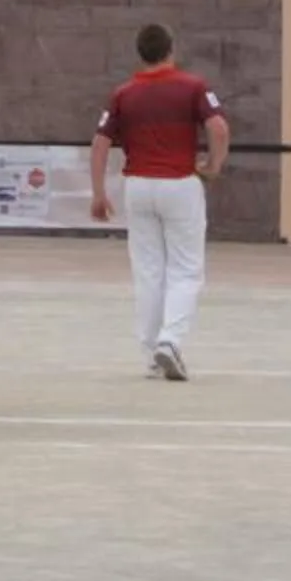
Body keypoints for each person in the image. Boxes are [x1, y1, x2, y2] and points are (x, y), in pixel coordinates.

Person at [89, 23, 230, 381]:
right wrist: (214, 165)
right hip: (180, 184)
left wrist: (99, 193)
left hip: (137, 186)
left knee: (148, 271)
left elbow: (100, 142)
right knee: (185, 269)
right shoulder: (193, 87)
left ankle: (152, 353)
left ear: (141, 53)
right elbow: (218, 128)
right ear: (171, 49)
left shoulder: (123, 94)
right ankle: (170, 340)